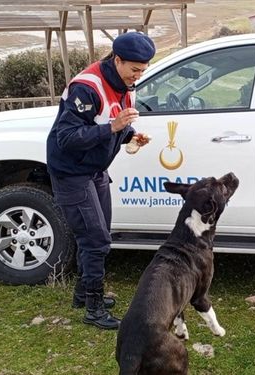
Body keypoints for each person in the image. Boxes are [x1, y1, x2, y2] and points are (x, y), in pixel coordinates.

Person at [46, 32, 155, 330]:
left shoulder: (124, 85)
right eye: (134, 69)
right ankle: (94, 309)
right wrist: (113, 127)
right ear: (117, 60)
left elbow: (112, 122)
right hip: (71, 171)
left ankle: (83, 293)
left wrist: (130, 135)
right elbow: (66, 138)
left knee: (98, 233)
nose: (138, 75)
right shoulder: (87, 87)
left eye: (143, 70)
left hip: (94, 169)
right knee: (96, 240)